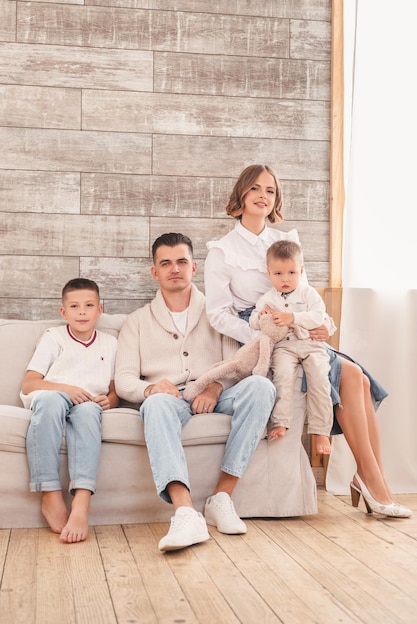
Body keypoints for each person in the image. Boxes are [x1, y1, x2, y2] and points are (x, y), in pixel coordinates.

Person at [204, 164, 411, 518]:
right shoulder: (222, 251)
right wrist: (264, 333)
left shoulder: (286, 241)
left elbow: (306, 294)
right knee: (349, 377)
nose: (262, 196)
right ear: (241, 195)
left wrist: (322, 324)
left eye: (270, 190)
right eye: (255, 188)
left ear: (276, 198)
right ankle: (374, 487)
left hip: (299, 326)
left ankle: (372, 479)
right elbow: (219, 314)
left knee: (358, 378)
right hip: (262, 336)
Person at [115, 232, 276, 552]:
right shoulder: (136, 321)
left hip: (216, 392)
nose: (174, 268)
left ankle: (222, 497)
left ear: (194, 267)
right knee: (156, 405)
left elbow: (237, 364)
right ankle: (186, 512)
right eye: (166, 263)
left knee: (261, 386)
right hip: (170, 398)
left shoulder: (218, 313)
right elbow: (123, 379)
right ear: (155, 272)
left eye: (182, 262)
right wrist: (150, 388)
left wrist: (215, 386)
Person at [20, 278, 119, 543]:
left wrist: (111, 399)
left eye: (89, 305)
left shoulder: (110, 343)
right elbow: (30, 383)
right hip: (53, 396)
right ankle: (50, 494)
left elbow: (113, 389)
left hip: (87, 402)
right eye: (74, 306)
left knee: (88, 414)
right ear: (64, 312)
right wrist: (66, 389)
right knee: (51, 401)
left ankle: (82, 502)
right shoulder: (54, 338)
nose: (82, 312)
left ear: (100, 309)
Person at [249, 240, 333, 453]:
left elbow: (317, 316)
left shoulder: (308, 293)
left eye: (291, 273)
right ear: (269, 273)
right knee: (282, 376)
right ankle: (280, 422)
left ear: (301, 271)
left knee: (320, 378)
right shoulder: (267, 298)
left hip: (311, 344)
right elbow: (252, 320)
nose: (285, 279)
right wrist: (262, 317)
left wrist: (292, 317)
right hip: (284, 347)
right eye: (278, 274)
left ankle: (321, 431)